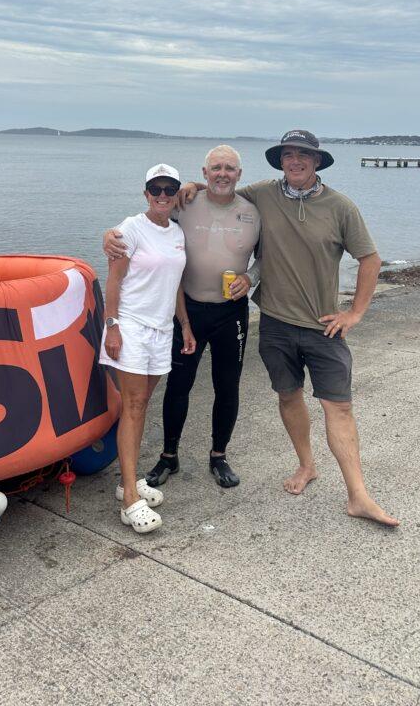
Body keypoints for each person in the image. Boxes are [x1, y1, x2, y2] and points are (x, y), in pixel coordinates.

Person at [181, 129, 399, 527]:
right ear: (280, 161)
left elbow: (370, 259)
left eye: (303, 155)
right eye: (288, 155)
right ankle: (306, 465)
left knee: (339, 406)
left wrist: (354, 313)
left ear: (317, 161)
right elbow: (222, 190)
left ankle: (358, 495)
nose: (295, 161)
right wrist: (190, 187)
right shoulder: (264, 194)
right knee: (288, 396)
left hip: (323, 325)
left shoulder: (340, 207)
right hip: (276, 323)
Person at [104, 146, 260, 488]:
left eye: (229, 168)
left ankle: (219, 455)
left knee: (227, 385)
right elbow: (146, 219)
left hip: (231, 312)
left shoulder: (253, 211)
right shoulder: (184, 203)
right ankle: (168, 456)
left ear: (239, 174)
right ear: (204, 173)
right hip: (188, 310)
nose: (222, 174)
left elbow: (265, 256)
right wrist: (109, 236)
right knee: (178, 385)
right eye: (215, 168)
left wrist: (251, 277)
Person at [100, 163, 194, 534]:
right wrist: (112, 327)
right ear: (146, 194)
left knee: (138, 408)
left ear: (176, 195)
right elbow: (113, 281)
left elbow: (175, 284)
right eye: (156, 189)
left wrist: (184, 324)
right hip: (131, 328)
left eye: (169, 190)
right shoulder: (130, 229)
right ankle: (128, 499)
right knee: (134, 406)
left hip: (161, 330)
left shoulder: (177, 232)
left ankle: (129, 479)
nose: (162, 196)